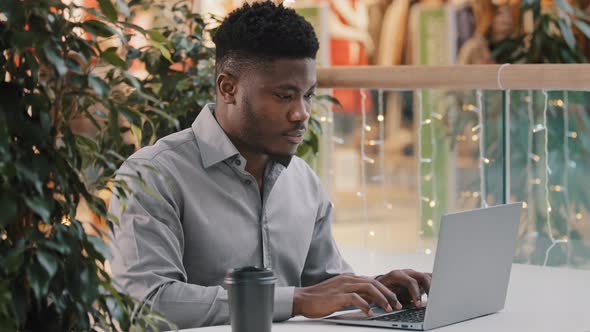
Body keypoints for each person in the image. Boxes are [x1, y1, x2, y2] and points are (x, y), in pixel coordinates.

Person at [108, 1, 431, 329]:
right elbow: (146, 301)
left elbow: (325, 286)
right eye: (284, 96)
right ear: (228, 88)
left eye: (307, 95)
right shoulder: (153, 174)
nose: (302, 113)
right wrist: (295, 300)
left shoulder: (302, 179)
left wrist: (376, 290)